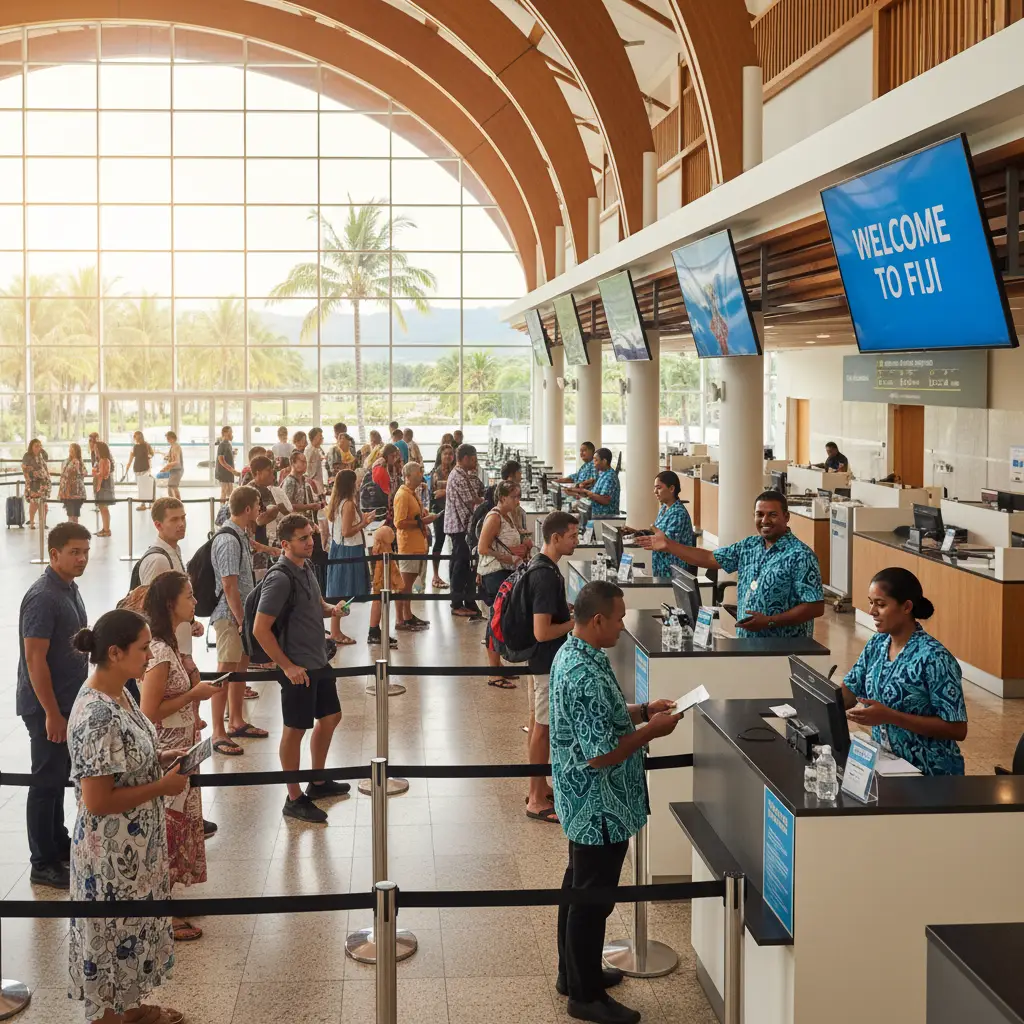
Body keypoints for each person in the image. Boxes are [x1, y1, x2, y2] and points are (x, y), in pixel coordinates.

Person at [549, 580, 681, 1024]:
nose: (624, 626)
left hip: (582, 798)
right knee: (593, 898)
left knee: (578, 884)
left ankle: (574, 973)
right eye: (620, 617)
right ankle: (584, 996)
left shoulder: (577, 652)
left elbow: (603, 715)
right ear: (599, 619)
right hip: (597, 803)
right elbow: (603, 752)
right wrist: (652, 731)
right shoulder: (583, 672)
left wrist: (641, 711)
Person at [67, 609, 187, 1024]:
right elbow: (98, 801)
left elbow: (128, 753)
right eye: (142, 649)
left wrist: (161, 758)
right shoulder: (96, 713)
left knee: (134, 934)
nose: (149, 658)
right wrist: (161, 787)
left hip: (137, 846)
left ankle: (134, 1009)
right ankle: (111, 1017)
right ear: (115, 653)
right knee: (113, 936)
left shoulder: (121, 691)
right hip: (112, 854)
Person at [253, 514, 350, 823]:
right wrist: (288, 666)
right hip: (299, 667)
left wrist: (331, 610)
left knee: (331, 717)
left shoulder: (306, 566)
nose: (311, 541)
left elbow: (315, 603)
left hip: (318, 659)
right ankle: (294, 798)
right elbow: (260, 629)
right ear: (285, 544)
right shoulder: (280, 578)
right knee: (295, 730)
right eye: (303, 538)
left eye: (310, 536)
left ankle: (318, 780)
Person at [141, 572, 221, 942]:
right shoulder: (158, 650)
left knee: (178, 823)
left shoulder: (171, 642)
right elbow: (149, 711)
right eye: (189, 597)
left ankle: (169, 894)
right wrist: (192, 697)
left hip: (183, 743)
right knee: (167, 826)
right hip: (167, 749)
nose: (195, 602)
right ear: (171, 603)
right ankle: (161, 909)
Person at [637, 489, 824, 638]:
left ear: (786, 516)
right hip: (747, 642)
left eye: (772, 515)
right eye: (760, 514)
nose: (765, 520)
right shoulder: (749, 545)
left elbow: (815, 606)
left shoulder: (801, 555)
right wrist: (670, 546)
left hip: (784, 649)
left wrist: (770, 621)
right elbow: (710, 558)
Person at [17, 522, 91, 889]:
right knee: (46, 781)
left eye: (86, 552)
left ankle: (58, 843)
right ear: (54, 554)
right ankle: (41, 861)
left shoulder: (68, 589)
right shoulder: (43, 596)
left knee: (60, 776)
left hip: (67, 703)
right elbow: (35, 660)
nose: (82, 558)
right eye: (75, 551)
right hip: (47, 707)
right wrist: (51, 713)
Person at [841, 567, 967, 775]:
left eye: (880, 604)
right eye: (871, 602)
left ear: (907, 606)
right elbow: (849, 691)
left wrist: (891, 716)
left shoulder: (934, 657)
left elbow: (957, 729)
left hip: (930, 774)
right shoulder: (877, 643)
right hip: (888, 766)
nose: (872, 611)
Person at [525, 510, 579, 823]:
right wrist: (574, 622)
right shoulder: (546, 575)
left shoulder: (544, 567)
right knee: (542, 729)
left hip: (542, 661)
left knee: (537, 724)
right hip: (546, 662)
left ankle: (540, 784)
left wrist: (563, 612)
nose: (576, 540)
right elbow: (542, 632)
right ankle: (535, 798)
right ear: (556, 537)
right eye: (572, 535)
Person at [209, 485, 268, 756]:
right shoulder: (229, 539)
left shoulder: (241, 533)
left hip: (241, 614)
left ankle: (236, 721)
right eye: (257, 505)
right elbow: (229, 585)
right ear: (247, 509)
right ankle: (218, 732)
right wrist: (243, 620)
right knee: (225, 670)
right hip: (230, 615)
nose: (260, 510)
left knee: (240, 670)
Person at [138, 498, 208, 667]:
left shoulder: (173, 551)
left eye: (183, 518)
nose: (181, 524)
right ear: (158, 525)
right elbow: (152, 609)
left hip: (178, 648)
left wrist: (190, 622)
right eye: (174, 519)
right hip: (167, 654)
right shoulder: (158, 560)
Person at [478, 481, 530, 688]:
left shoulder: (510, 515)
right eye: (514, 496)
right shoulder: (494, 517)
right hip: (495, 574)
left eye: (519, 496)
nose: (518, 500)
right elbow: (482, 548)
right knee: (496, 619)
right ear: (502, 498)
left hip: (506, 572)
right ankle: (493, 672)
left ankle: (497, 665)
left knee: (499, 618)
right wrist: (507, 557)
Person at [622, 471, 695, 578]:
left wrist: (641, 537)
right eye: (655, 488)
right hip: (661, 569)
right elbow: (656, 534)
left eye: (659, 488)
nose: (655, 491)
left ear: (671, 489)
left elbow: (665, 543)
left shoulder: (678, 513)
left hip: (673, 573)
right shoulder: (664, 508)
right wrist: (635, 532)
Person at [444, 443, 485, 618]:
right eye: (474, 459)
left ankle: (467, 601)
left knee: (463, 565)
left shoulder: (462, 474)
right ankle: (457, 603)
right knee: (461, 565)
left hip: (461, 526)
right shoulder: (459, 476)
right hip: (460, 526)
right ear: (466, 458)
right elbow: (472, 500)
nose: (475, 463)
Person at [394, 462, 435, 632]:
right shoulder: (403, 495)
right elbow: (399, 522)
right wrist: (422, 521)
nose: (422, 475)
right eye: (419, 472)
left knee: (409, 584)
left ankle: (408, 615)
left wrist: (422, 514)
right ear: (409, 476)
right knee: (404, 584)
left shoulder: (412, 493)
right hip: (408, 545)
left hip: (417, 544)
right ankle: (401, 619)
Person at [327, 468, 374, 608]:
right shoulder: (348, 504)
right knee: (350, 589)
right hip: (350, 549)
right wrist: (364, 523)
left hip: (339, 547)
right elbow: (346, 532)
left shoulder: (337, 501)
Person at [368, 524, 402, 649]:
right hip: (381, 583)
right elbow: (393, 570)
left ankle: (375, 630)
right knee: (379, 601)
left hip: (380, 583)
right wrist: (399, 583)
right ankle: (374, 631)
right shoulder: (385, 552)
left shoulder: (378, 549)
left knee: (378, 601)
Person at [430, 442, 454, 589]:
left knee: (456, 545)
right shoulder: (435, 472)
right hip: (439, 511)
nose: (448, 456)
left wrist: (444, 489)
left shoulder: (456, 471)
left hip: (453, 511)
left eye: (450, 454)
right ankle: (435, 575)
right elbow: (434, 494)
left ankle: (453, 574)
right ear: (440, 455)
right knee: (439, 542)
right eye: (445, 454)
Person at [573, 448, 619, 518]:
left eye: (596, 460)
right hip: (593, 512)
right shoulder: (603, 474)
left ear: (604, 461)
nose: (593, 463)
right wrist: (583, 495)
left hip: (603, 516)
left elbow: (605, 500)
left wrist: (588, 493)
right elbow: (596, 494)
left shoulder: (609, 477)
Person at [22, 437, 51, 530]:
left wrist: (41, 449)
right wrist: (28, 480)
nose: (38, 448)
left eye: (39, 446)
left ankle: (43, 522)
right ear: (31, 447)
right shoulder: (27, 456)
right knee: (34, 503)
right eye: (36, 446)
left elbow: (46, 459)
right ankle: (31, 522)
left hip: (43, 482)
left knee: (44, 503)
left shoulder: (42, 454)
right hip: (33, 482)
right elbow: (24, 468)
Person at [126, 430, 155, 511]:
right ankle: (143, 503)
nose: (135, 438)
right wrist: (128, 465)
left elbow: (152, 454)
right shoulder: (135, 446)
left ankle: (149, 503)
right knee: (141, 486)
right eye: (135, 437)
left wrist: (149, 457)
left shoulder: (146, 445)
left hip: (145, 468)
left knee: (146, 486)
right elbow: (131, 456)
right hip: (137, 468)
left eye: (136, 436)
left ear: (140, 437)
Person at [59, 443, 87, 524]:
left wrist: (78, 471)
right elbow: (64, 474)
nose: (70, 451)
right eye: (70, 449)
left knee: (75, 514)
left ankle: (75, 531)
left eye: (72, 449)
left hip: (77, 492)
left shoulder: (79, 462)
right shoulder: (66, 461)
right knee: (70, 514)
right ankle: (71, 531)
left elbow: (84, 473)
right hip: (67, 491)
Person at [92, 440, 115, 537]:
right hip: (102, 486)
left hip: (103, 487)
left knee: (103, 507)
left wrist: (95, 474)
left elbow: (104, 475)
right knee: (102, 508)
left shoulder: (104, 460)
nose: (95, 450)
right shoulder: (103, 460)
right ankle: (105, 528)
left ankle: (106, 529)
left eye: (97, 448)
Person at [215, 425, 239, 501]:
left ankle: (229, 508)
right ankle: (222, 509)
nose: (232, 434)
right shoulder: (222, 445)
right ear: (225, 433)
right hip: (223, 471)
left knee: (230, 491)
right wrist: (232, 470)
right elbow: (221, 460)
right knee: (224, 491)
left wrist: (233, 453)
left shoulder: (228, 444)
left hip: (229, 471)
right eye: (230, 432)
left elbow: (227, 456)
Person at [163, 430, 183, 498]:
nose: (167, 440)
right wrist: (167, 457)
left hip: (177, 470)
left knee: (173, 487)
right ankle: (175, 504)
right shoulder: (173, 446)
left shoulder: (176, 446)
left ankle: (177, 504)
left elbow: (177, 461)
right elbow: (171, 457)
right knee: (171, 488)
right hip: (174, 470)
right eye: (167, 438)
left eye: (168, 438)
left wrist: (167, 466)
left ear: (173, 438)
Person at [307, 427, 326, 496]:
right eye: (320, 436)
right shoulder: (310, 450)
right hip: (313, 483)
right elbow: (308, 470)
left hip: (318, 482)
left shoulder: (316, 449)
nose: (322, 438)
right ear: (314, 437)